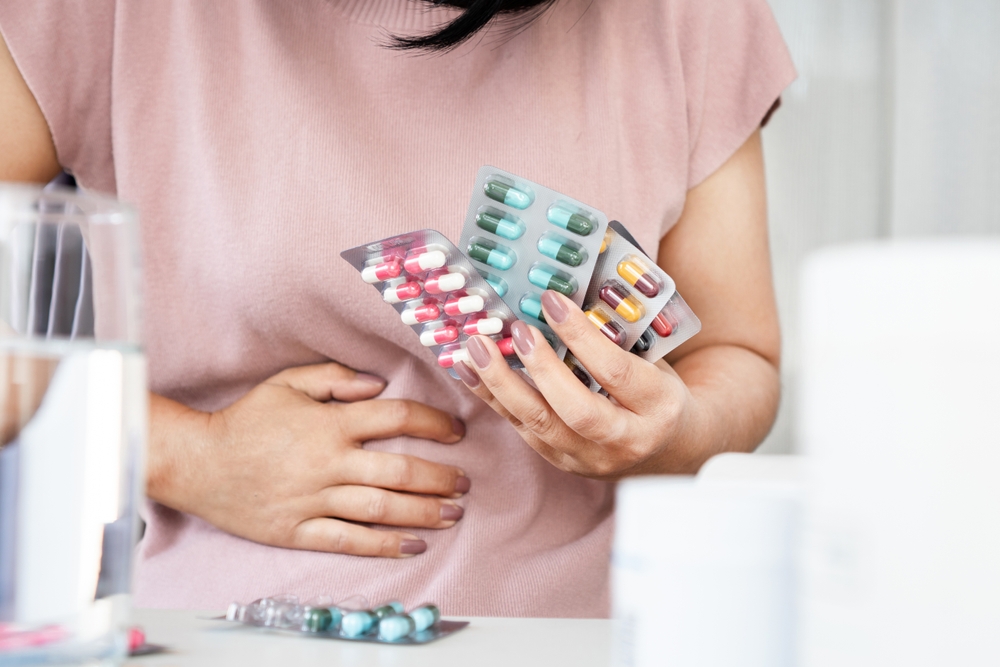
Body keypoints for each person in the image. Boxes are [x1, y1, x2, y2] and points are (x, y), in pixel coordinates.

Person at [0, 0, 795, 617]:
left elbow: (739, 355)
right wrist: (192, 455)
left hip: (595, 629)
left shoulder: (687, 17)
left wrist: (670, 429)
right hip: (237, 631)